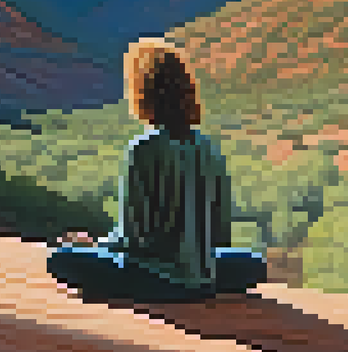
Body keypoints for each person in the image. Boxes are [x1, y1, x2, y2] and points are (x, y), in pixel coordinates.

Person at [48, 37, 267, 302]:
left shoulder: (144, 147)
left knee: (61, 259)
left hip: (154, 278)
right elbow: (220, 233)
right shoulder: (208, 146)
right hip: (203, 275)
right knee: (254, 263)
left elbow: (134, 236)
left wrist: (94, 245)